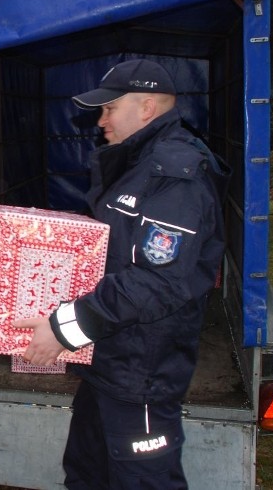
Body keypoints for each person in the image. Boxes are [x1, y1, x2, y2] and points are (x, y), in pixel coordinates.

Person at [14, 59, 229, 489]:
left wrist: (62, 329)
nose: (101, 120)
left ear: (146, 107)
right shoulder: (138, 164)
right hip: (108, 364)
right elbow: (114, 253)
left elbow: (157, 281)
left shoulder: (175, 175)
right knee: (85, 474)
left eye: (110, 109)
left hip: (141, 375)